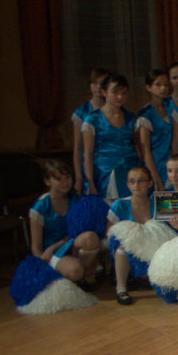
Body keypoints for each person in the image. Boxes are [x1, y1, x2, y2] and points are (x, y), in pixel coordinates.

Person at [29, 159, 100, 283]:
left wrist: (54, 246)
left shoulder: (76, 200)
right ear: (47, 181)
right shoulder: (40, 208)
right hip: (52, 253)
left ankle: (80, 276)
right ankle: (68, 275)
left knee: (90, 238)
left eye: (67, 178)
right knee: (75, 270)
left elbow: (78, 231)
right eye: (59, 179)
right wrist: (43, 264)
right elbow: (36, 246)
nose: (65, 182)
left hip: (69, 244)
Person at [106, 165, 160, 305]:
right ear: (127, 184)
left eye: (141, 180)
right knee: (122, 248)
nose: (136, 185)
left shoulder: (158, 203)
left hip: (150, 248)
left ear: (150, 183)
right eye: (132, 181)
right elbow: (110, 233)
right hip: (126, 252)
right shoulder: (120, 204)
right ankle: (121, 288)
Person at [82, 72, 140, 202]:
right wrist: (90, 182)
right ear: (104, 92)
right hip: (105, 173)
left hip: (130, 170)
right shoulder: (93, 119)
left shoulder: (131, 118)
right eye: (115, 92)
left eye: (124, 93)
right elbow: (88, 154)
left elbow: (137, 146)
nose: (120, 97)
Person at [72, 67, 108, 194]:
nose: (98, 87)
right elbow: (78, 147)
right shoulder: (82, 113)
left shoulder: (117, 110)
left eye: (102, 83)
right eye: (95, 83)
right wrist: (78, 178)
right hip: (92, 167)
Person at [137, 69, 173, 191]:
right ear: (149, 87)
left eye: (166, 84)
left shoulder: (170, 109)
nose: (163, 88)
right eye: (158, 84)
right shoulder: (146, 114)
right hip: (155, 164)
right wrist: (155, 177)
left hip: (171, 163)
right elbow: (145, 150)